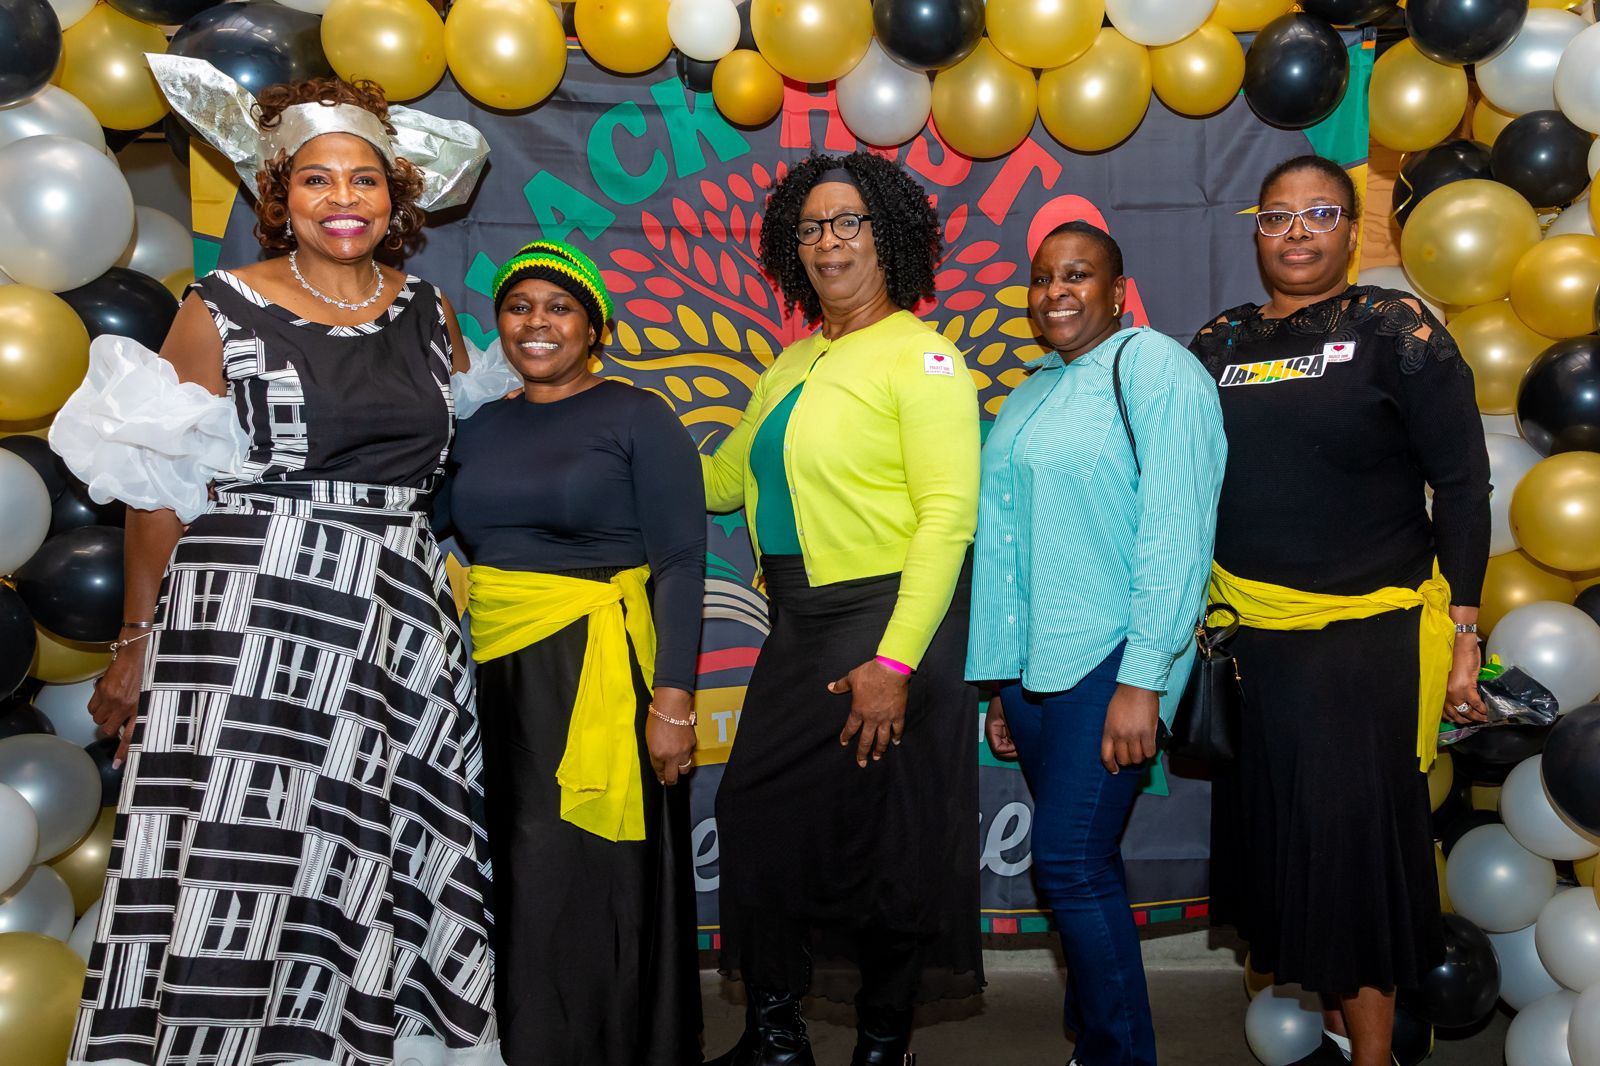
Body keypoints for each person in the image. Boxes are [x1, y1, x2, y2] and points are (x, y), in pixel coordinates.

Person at [50, 63, 500, 1066]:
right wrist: (136, 640)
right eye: (316, 179)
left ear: (395, 196)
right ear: (279, 195)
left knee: (374, 842)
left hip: (394, 623)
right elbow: (159, 490)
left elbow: (482, 439)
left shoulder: (429, 312)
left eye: (364, 179)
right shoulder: (220, 308)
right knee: (246, 848)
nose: (344, 198)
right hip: (250, 621)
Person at [1188, 156, 1491, 1066]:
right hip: (1256, 643)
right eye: (1276, 216)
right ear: (1255, 232)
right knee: (1293, 852)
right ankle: (1331, 1033)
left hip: (1363, 640)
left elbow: (1462, 485)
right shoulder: (1219, 342)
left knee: (1348, 858)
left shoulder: (1394, 328)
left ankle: (1371, 1057)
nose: (1296, 232)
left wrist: (1465, 632)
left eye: (1319, 214)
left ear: (1352, 231)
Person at [701, 151, 983, 1066]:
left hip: (889, 620)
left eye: (848, 222)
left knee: (886, 841)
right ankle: (776, 1038)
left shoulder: (923, 357)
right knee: (757, 813)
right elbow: (722, 481)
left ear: (887, 236)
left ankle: (882, 1045)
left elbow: (948, 520)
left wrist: (894, 663)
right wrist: (611, 431)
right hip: (800, 625)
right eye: (812, 227)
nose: (828, 242)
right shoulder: (792, 361)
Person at [437, 240, 706, 1066]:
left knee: (594, 872)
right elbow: (419, 520)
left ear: (594, 328)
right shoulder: (479, 427)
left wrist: (672, 701)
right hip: (496, 680)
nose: (537, 323)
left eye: (559, 308)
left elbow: (681, 562)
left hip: (601, 675)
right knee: (516, 870)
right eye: (520, 308)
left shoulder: (638, 416)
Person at [969, 222, 1227, 1066]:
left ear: (1118, 291)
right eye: (1043, 278)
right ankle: (1092, 1041)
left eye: (1077, 275)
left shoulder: (1154, 368)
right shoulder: (1034, 389)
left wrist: (1144, 679)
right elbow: (1008, 543)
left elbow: (1176, 534)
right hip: (1033, 675)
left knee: (1069, 865)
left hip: (1111, 664)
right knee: (1087, 866)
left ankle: (1120, 1054)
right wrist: (1000, 681)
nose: (1056, 293)